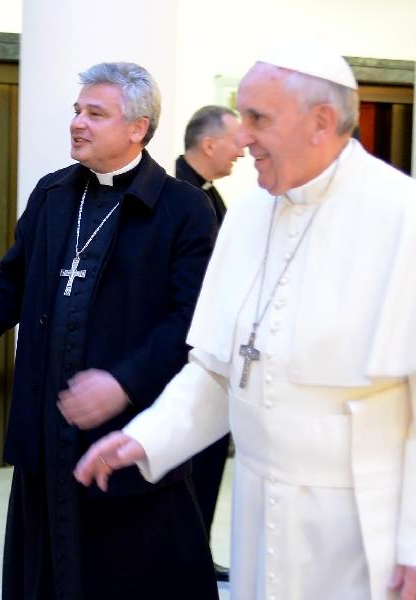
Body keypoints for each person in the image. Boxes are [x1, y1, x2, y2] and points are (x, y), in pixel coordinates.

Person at [75, 43, 416, 600]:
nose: (242, 136)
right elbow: (218, 369)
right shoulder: (246, 217)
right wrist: (147, 437)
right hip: (259, 507)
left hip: (368, 526)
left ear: (320, 122)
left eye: (258, 119)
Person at [0, 63, 218, 599]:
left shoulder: (182, 209)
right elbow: (14, 275)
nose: (77, 123)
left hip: (129, 432)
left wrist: (124, 382)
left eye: (95, 113)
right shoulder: (54, 194)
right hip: (48, 429)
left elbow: (190, 322)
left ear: (138, 127)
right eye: (77, 111)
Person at [176, 103, 245, 582]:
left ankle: (197, 548)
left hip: (216, 349)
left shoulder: (212, 195)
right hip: (187, 352)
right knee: (189, 462)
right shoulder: (180, 195)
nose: (243, 148)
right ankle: (185, 553)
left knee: (210, 461)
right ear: (209, 143)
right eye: (237, 137)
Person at [177, 104, 243, 226]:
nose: (241, 153)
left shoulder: (207, 188)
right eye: (236, 143)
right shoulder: (173, 192)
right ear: (209, 146)